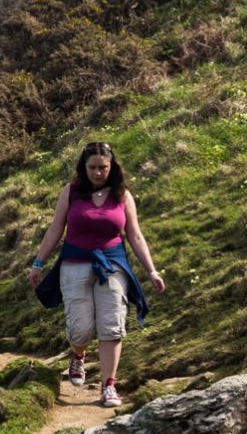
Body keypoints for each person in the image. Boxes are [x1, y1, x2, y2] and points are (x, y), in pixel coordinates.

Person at [24, 141, 166, 408]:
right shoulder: (71, 192)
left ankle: (108, 386)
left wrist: (152, 271)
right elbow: (55, 230)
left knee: (112, 325)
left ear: (112, 167)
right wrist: (38, 263)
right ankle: (78, 354)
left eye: (103, 167)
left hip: (112, 265)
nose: (98, 172)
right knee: (81, 329)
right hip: (74, 264)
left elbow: (135, 235)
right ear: (84, 167)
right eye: (92, 167)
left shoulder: (122, 196)